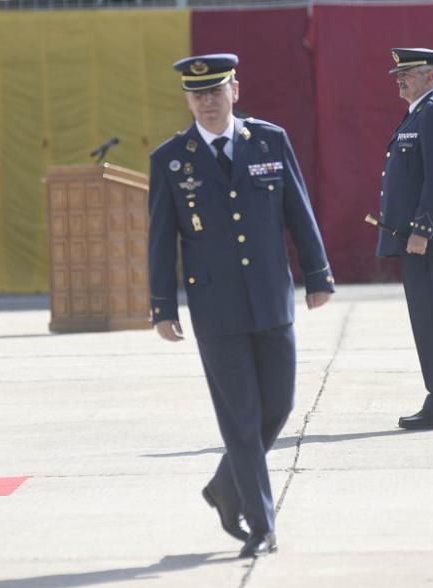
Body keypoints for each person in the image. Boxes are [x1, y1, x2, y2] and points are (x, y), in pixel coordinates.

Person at [148, 54, 334, 558]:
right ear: (187, 99)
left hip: (272, 297)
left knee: (279, 405)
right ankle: (260, 521)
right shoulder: (171, 159)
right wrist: (162, 306)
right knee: (241, 417)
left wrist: (318, 276)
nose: (207, 102)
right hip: (216, 308)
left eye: (215, 91)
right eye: (197, 94)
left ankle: (224, 486)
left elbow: (298, 208)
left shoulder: (270, 141)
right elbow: (161, 240)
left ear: (235, 90)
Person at [377, 48, 433, 431]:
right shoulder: (420, 113)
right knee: (425, 320)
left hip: (423, 241)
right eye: (399, 73)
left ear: (432, 76)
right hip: (414, 239)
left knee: (431, 320)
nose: (399, 79)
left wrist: (422, 230)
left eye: (407, 73)